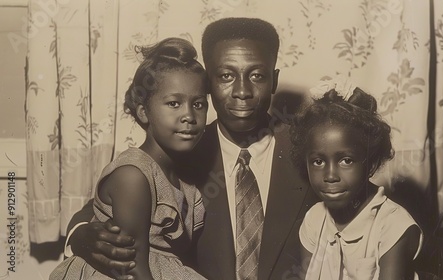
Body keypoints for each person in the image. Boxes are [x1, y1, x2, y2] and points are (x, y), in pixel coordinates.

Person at [65, 17, 319, 280]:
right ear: (207, 82)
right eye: (226, 76)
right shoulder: (179, 148)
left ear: (274, 80)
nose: (242, 91)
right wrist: (80, 234)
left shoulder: (310, 151)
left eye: (257, 75)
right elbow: (105, 205)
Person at [51, 38, 209, 280]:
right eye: (174, 104)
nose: (189, 115)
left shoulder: (183, 176)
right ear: (144, 112)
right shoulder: (133, 175)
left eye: (198, 104)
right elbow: (132, 268)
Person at [289, 82, 423, 279]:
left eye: (346, 160)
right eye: (318, 161)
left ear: (371, 163)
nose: (330, 175)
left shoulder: (392, 225)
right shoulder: (314, 220)